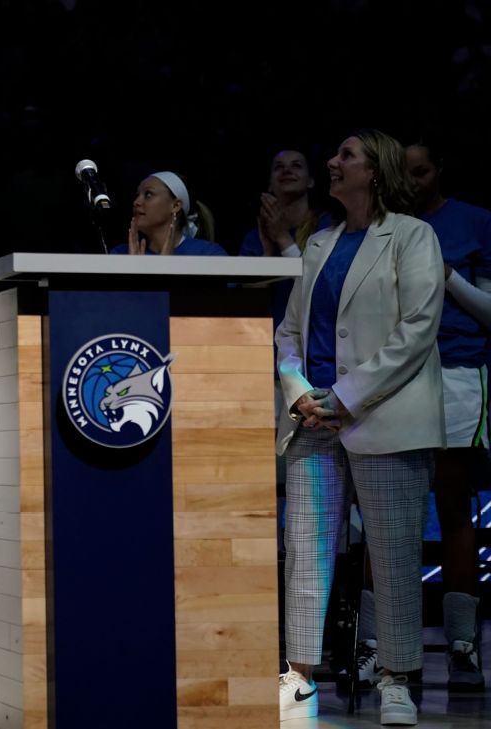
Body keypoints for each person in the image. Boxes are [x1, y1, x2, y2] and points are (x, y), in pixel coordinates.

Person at [275, 129, 444, 725]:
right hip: (314, 418)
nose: (333, 162)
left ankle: (397, 677)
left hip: (381, 416)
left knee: (394, 551)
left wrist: (346, 396)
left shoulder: (413, 236)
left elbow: (418, 328)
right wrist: (298, 392)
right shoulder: (317, 244)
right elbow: (289, 331)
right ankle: (298, 673)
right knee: (307, 549)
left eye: (346, 155)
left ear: (375, 171)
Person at [357, 139, 491, 691]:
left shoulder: (473, 223)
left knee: (454, 504)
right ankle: (372, 644)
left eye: (421, 172)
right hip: (393, 376)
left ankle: (462, 645)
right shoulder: (378, 226)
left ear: (440, 172)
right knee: (385, 513)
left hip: (458, 373)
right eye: (404, 173)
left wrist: (445, 274)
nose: (412, 182)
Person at [239, 148, 333, 326]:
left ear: (310, 181)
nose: (287, 170)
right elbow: (247, 301)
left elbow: (321, 288)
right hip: (266, 335)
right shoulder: (255, 237)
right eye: (278, 167)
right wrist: (267, 253)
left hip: (313, 333)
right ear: (269, 184)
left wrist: (282, 237)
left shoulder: (326, 227)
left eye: (296, 166)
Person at [110, 171, 227, 255]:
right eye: (137, 195)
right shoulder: (121, 253)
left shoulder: (207, 253)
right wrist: (133, 270)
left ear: (175, 206)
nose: (136, 202)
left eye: (148, 194)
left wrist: (168, 269)